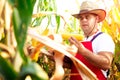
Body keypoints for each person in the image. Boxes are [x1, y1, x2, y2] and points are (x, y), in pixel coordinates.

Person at [65, 1, 115, 80]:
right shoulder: (80, 41)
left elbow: (106, 64)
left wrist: (83, 51)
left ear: (96, 19)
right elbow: (73, 65)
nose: (83, 20)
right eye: (81, 18)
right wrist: (55, 55)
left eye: (87, 17)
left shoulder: (104, 39)